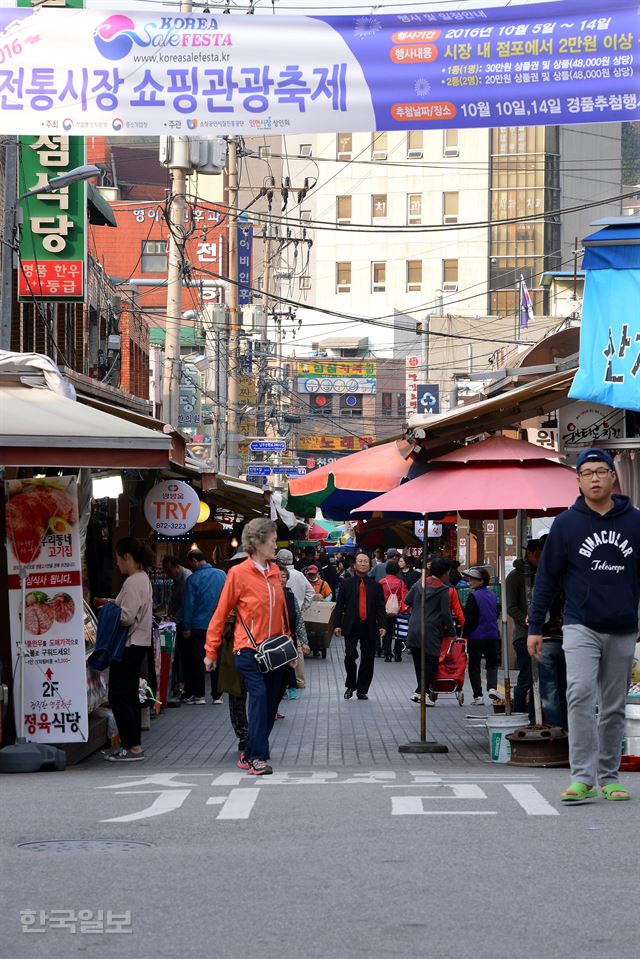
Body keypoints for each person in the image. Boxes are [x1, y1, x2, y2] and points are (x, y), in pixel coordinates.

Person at [528, 447, 640, 802]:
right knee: (578, 694)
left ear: (613, 477)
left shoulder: (635, 521)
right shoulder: (566, 524)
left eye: (600, 471)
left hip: (623, 626)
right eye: (587, 472)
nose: (594, 478)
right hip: (580, 625)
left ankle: (608, 776)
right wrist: (534, 626)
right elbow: (546, 578)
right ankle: (581, 777)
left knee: (612, 704)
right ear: (577, 480)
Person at [205, 518, 293, 776]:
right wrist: (211, 651)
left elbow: (282, 612)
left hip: (275, 652)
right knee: (259, 697)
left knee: (272, 703)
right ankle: (257, 757)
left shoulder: (275, 572)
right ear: (257, 542)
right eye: (273, 541)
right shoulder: (238, 574)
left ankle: (250, 751)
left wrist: (289, 646)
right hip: (248, 650)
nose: (276, 545)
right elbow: (220, 614)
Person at [105, 537, 153, 762]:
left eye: (118, 559)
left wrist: (110, 609)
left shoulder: (133, 581)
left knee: (118, 695)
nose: (117, 564)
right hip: (139, 644)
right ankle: (133, 745)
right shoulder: (143, 579)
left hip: (129, 645)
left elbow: (126, 617)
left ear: (127, 557)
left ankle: (131, 746)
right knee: (129, 694)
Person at [334, 551, 386, 700]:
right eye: (360, 561)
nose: (363, 564)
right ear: (354, 564)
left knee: (368, 659)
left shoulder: (376, 585)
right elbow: (339, 606)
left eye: (366, 561)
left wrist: (382, 625)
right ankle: (351, 685)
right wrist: (337, 624)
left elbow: (380, 607)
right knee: (350, 656)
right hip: (351, 625)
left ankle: (362, 689)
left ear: (370, 565)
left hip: (370, 625)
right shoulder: (346, 583)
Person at [404, 556, 455, 706]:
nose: (449, 575)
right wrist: (452, 632)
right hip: (431, 631)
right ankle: (423, 692)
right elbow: (446, 614)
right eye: (449, 572)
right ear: (444, 572)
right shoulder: (444, 590)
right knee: (431, 663)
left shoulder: (420, 583)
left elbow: (407, 600)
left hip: (414, 628)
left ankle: (420, 691)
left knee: (419, 663)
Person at [182, 549, 226, 705]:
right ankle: (217, 695)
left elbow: (189, 604)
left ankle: (199, 695)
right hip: (218, 623)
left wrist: (186, 626)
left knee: (198, 659)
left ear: (194, 560)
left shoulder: (193, 579)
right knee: (216, 657)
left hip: (198, 625)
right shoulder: (222, 575)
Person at [506, 539, 542, 718]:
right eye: (539, 553)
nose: (542, 557)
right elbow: (510, 607)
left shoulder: (544, 573)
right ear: (530, 553)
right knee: (526, 677)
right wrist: (526, 621)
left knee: (541, 680)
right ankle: (519, 715)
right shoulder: (515, 576)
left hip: (544, 635)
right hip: (523, 636)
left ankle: (536, 716)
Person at [462, 566, 500, 706]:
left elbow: (470, 618)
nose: (470, 581)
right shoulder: (492, 595)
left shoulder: (473, 596)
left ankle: (478, 696)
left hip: (476, 635)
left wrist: (464, 634)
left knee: (474, 666)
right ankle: (492, 688)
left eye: (473, 579)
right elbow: (496, 613)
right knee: (492, 663)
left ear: (481, 581)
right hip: (492, 635)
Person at [278, 564, 310, 703]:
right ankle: (282, 689)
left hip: (289, 636)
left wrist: (304, 641)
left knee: (289, 663)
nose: (281, 579)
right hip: (272, 638)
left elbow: (298, 619)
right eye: (278, 576)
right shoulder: (268, 595)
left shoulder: (290, 596)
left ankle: (291, 687)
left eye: (284, 576)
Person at [162, 555, 191, 697]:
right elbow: (174, 600)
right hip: (177, 620)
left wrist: (174, 618)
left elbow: (185, 603)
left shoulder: (186, 579)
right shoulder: (177, 579)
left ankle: (183, 684)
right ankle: (180, 684)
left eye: (169, 570)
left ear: (176, 567)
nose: (168, 574)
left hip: (183, 621)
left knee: (183, 655)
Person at [379, 560, 408, 662]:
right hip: (398, 611)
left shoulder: (382, 582)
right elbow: (405, 597)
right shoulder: (400, 582)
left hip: (385, 611)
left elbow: (378, 597)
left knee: (386, 633)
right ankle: (397, 654)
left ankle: (387, 654)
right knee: (398, 633)